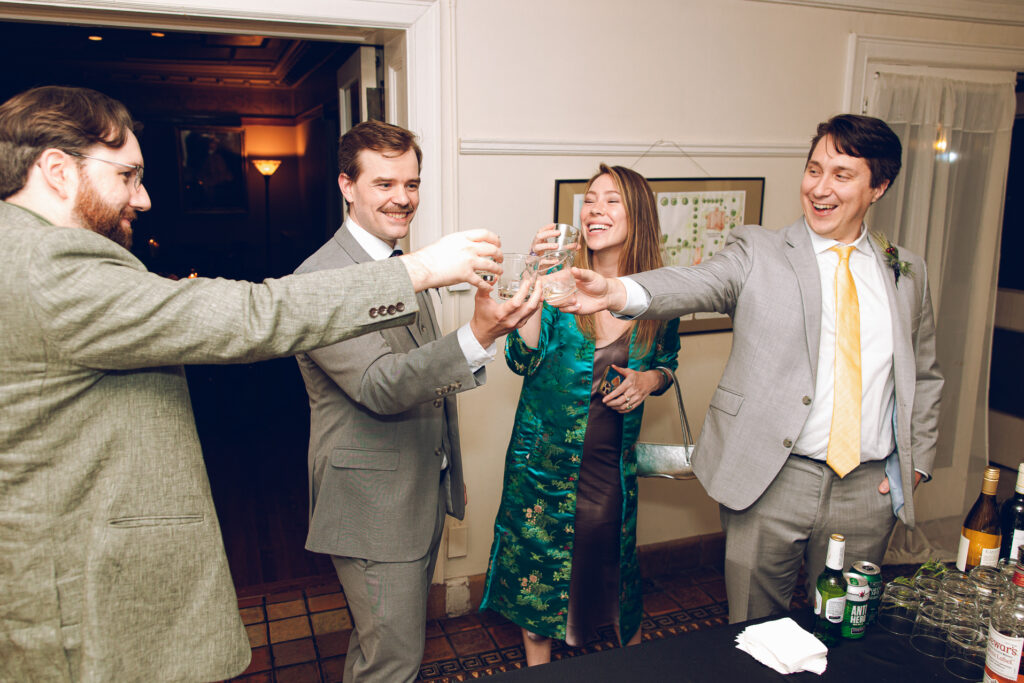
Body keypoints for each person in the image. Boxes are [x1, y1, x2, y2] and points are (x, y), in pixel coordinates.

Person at [0, 86, 501, 682]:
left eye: (410, 184)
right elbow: (253, 318)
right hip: (76, 580)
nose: (145, 196)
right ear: (57, 171)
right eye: (129, 174)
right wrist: (421, 272)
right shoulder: (47, 264)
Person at [555, 115, 943, 624]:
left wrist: (916, 463)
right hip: (771, 481)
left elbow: (927, 374)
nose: (820, 189)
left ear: (879, 186)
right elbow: (695, 283)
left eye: (841, 175)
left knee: (849, 631)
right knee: (755, 634)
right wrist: (618, 291)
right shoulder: (757, 250)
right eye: (813, 170)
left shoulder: (906, 271)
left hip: (867, 492)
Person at [294, 119, 541, 683]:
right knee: (394, 662)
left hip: (414, 493)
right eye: (384, 184)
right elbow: (382, 385)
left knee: (380, 648)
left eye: (412, 183)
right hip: (373, 508)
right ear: (346, 185)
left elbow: (422, 373)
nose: (402, 198)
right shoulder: (323, 278)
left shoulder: (398, 263)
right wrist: (476, 337)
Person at [479, 164, 680, 665]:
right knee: (539, 584)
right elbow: (520, 360)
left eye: (612, 201)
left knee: (614, 582)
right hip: (541, 468)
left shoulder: (658, 296)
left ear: (639, 217)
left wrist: (648, 380)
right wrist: (531, 279)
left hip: (611, 472)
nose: (595, 210)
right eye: (590, 200)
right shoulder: (557, 284)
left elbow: (668, 366)